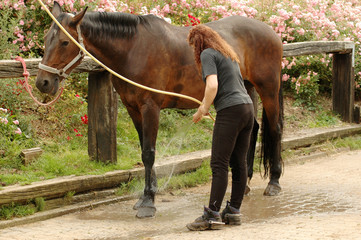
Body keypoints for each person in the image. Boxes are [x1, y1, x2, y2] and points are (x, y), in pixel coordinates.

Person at [186, 24, 254, 231]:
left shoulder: (207, 54)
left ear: (198, 43)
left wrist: (203, 108)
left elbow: (213, 85)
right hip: (247, 109)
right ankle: (233, 211)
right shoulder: (228, 54)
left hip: (231, 110)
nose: (193, 51)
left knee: (219, 163)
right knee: (238, 163)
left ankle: (212, 214)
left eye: (192, 46)